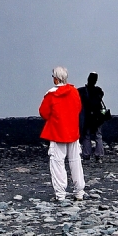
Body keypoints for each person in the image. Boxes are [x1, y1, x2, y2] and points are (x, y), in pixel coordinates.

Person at [39, 66, 85, 203]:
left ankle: (60, 194)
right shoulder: (74, 92)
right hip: (72, 132)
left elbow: (43, 113)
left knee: (57, 163)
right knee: (75, 162)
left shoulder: (51, 95)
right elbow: (78, 108)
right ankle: (79, 192)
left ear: (55, 78)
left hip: (57, 133)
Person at [78, 71, 106, 161]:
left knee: (87, 135)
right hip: (98, 116)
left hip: (87, 116)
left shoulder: (82, 91)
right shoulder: (98, 91)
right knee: (98, 135)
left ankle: (86, 154)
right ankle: (99, 155)